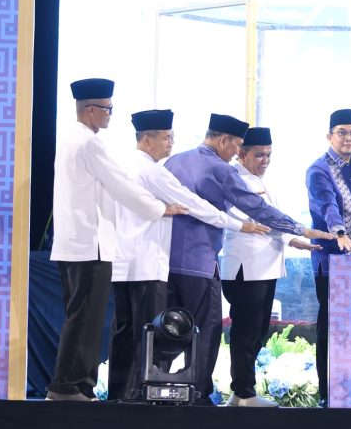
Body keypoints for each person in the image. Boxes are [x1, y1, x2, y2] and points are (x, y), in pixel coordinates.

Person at [164, 114, 333, 406]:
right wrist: (300, 229)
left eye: (269, 155)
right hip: (217, 263)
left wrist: (292, 237)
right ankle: (213, 395)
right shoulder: (225, 171)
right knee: (210, 331)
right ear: (226, 142)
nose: (235, 154)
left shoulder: (175, 161)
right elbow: (255, 212)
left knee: (172, 328)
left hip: (171, 260)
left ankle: (159, 390)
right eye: (240, 148)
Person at [108, 110, 270, 402]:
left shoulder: (162, 163)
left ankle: (129, 396)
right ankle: (192, 396)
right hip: (180, 264)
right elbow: (195, 204)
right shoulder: (161, 170)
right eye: (166, 138)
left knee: (139, 332)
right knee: (200, 330)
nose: (170, 143)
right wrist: (241, 224)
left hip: (140, 263)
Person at [48, 79, 186, 402]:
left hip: (73, 243)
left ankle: (74, 385)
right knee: (86, 319)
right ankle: (68, 386)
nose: (110, 114)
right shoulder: (89, 143)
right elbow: (121, 185)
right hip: (89, 244)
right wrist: (159, 208)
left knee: (80, 317)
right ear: (91, 109)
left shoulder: (70, 138)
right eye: (108, 108)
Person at [221, 127, 322, 407]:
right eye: (259, 155)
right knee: (246, 331)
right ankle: (243, 392)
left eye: (268, 155)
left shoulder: (260, 180)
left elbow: (273, 220)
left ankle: (242, 391)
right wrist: (294, 235)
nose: (265, 160)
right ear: (241, 154)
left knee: (258, 330)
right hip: (246, 268)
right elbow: (258, 218)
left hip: (265, 268)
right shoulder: (234, 179)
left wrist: (293, 240)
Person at [306, 108, 351, 406]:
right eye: (342, 133)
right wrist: (339, 233)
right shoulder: (319, 170)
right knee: (331, 327)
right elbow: (327, 206)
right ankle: (328, 393)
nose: (348, 138)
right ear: (329, 136)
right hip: (332, 262)